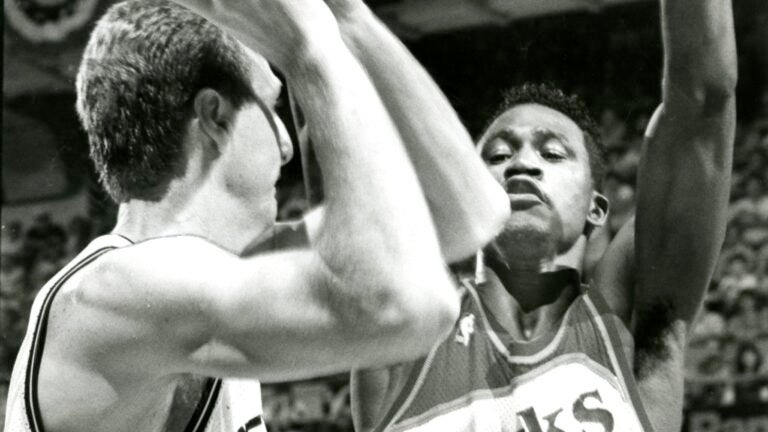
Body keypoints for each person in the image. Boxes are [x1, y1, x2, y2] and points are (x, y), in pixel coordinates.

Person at [4, 1, 510, 431]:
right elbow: (407, 307)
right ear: (215, 117)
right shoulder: (113, 292)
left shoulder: (217, 273)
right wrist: (309, 52)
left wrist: (350, 20)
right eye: (271, 107)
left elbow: (470, 216)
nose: (287, 145)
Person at [351, 0, 737, 431]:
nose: (521, 164)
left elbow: (704, 101)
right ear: (467, 195)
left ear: (595, 208)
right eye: (498, 155)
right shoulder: (409, 328)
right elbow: (332, 121)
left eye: (552, 153)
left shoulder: (627, 326)